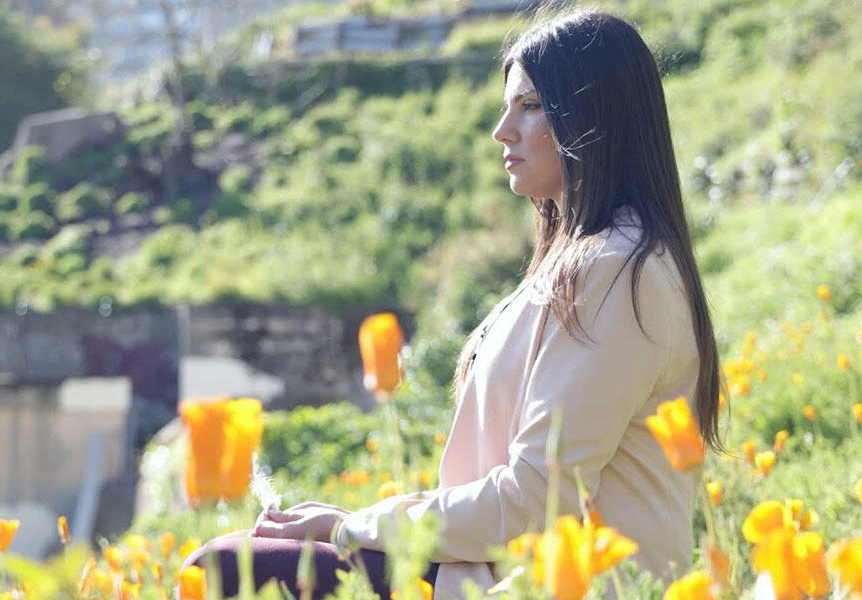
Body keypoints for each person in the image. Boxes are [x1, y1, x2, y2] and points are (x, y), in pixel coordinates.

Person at [182, 8, 724, 600]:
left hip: (550, 585)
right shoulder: (590, 259)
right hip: (487, 571)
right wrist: (362, 526)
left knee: (226, 568)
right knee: (249, 556)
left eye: (531, 105)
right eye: (506, 106)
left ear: (597, 116)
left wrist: (352, 526)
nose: (502, 130)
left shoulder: (618, 270)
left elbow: (536, 497)